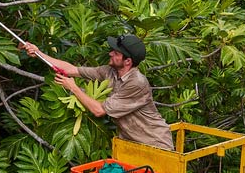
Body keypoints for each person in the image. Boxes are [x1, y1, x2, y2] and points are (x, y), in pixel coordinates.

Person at [20, 34, 174, 151]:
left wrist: (73, 88)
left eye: (116, 53)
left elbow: (99, 110)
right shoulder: (109, 72)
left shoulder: (137, 83)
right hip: (131, 144)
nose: (110, 54)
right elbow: (71, 70)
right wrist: (39, 53)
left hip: (155, 144)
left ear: (128, 61)